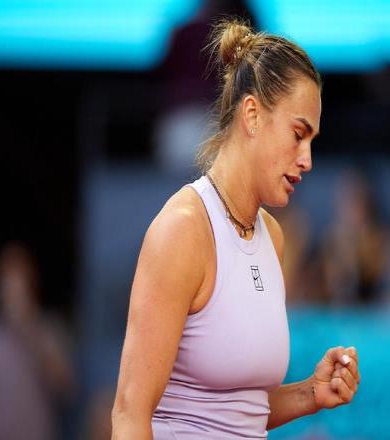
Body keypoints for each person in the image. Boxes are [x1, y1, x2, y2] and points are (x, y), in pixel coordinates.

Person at [111, 18, 360, 439]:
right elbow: (129, 414)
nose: (307, 159)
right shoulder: (183, 230)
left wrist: (311, 393)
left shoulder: (272, 237)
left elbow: (239, 409)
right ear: (252, 115)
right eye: (298, 134)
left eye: (312, 141)